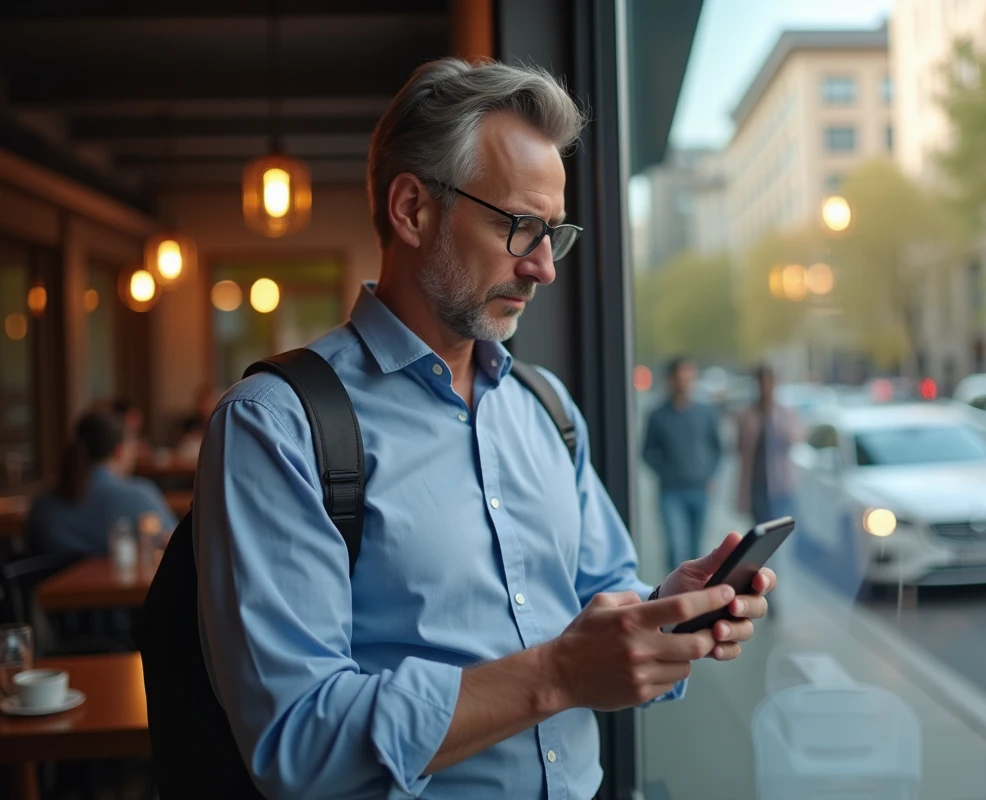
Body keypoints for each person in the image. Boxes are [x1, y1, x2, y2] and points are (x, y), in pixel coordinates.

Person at [192, 58, 778, 800]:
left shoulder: (547, 408)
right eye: (520, 228)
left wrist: (669, 613)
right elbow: (299, 741)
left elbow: (601, 591)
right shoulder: (277, 428)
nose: (544, 269)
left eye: (553, 234)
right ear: (412, 210)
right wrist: (559, 673)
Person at [26, 411, 177, 557]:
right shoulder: (139, 495)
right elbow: (174, 544)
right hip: (122, 582)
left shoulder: (42, 503)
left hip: (47, 582)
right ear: (120, 451)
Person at [641, 356, 723, 567]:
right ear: (671, 380)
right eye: (680, 378)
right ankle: (673, 596)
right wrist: (666, 472)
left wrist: (711, 475)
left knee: (697, 551)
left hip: (699, 489)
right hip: (671, 492)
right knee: (676, 547)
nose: (684, 383)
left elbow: (718, 448)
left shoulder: (705, 412)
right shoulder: (658, 415)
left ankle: (695, 598)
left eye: (688, 377)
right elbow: (646, 452)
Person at [737, 364, 801, 524]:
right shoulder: (749, 414)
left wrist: (773, 420)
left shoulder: (784, 413)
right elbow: (739, 447)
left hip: (780, 483)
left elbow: (795, 437)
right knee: (761, 530)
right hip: (756, 483)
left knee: (778, 528)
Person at [174, 385, 218, 463]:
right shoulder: (190, 425)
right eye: (202, 403)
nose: (205, 407)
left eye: (209, 403)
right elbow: (180, 451)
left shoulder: (220, 425)